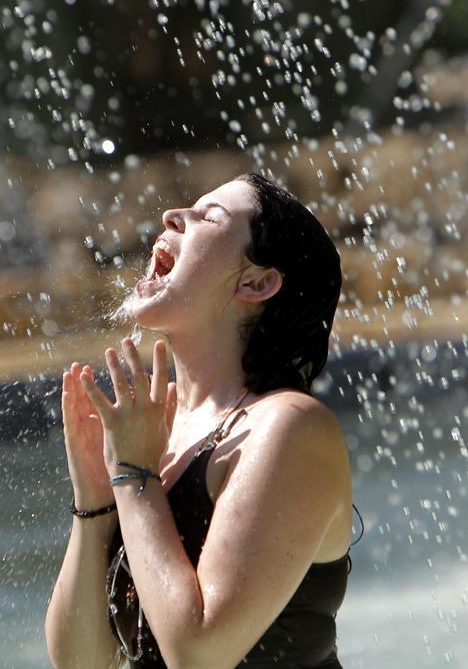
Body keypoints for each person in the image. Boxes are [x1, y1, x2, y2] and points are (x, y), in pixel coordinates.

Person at [45, 172, 354, 668]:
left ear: (257, 282)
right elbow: (82, 663)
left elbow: (199, 653)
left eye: (210, 216)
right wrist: (97, 502)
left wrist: (132, 477)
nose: (172, 216)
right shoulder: (154, 435)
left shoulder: (289, 426)